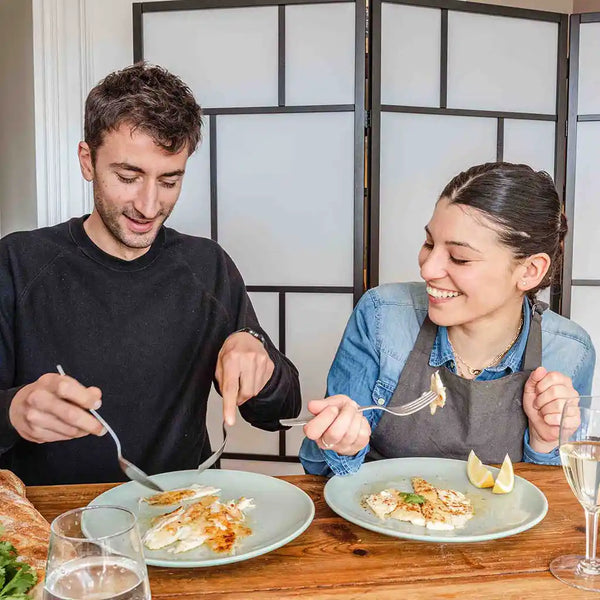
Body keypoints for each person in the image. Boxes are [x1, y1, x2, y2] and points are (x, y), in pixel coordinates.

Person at [0, 63, 301, 485]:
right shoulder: (18, 262)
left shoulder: (206, 267)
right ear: (87, 160)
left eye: (170, 181)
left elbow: (281, 411)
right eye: (128, 176)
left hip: (183, 520)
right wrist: (13, 411)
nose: (148, 205)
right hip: (53, 525)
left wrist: (257, 358)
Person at [299, 162, 595, 476]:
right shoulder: (382, 316)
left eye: (459, 257)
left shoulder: (568, 353)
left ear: (529, 271)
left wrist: (545, 441)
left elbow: (558, 503)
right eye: (429, 244)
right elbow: (318, 470)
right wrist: (341, 442)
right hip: (380, 517)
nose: (427, 269)